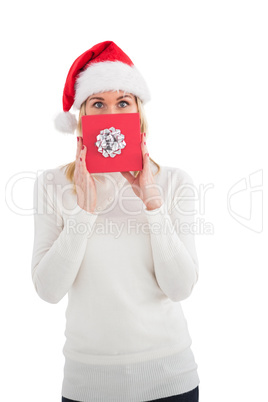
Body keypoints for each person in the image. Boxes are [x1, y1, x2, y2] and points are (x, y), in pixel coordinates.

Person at [31, 40, 200, 402]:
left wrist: (154, 206)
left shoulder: (173, 183)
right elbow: (48, 290)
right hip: (87, 385)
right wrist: (85, 212)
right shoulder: (52, 184)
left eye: (123, 102)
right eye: (98, 103)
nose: (111, 114)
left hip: (170, 380)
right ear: (82, 117)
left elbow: (181, 288)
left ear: (138, 112)